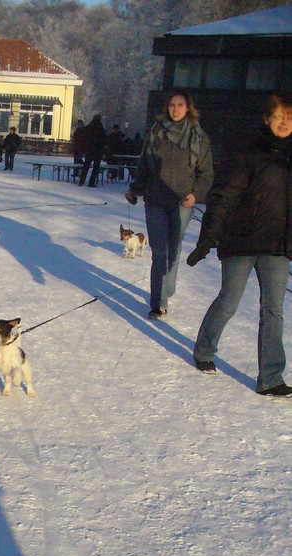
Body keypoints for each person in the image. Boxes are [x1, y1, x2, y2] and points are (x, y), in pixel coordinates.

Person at [190, 93, 292, 396]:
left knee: (273, 310)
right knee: (229, 301)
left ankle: (271, 378)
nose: (286, 122)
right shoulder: (248, 151)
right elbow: (225, 194)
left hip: (276, 246)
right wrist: (209, 235)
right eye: (280, 116)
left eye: (290, 117)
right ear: (266, 119)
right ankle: (204, 349)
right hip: (241, 241)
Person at [125, 89, 213, 319]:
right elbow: (144, 165)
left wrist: (196, 194)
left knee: (173, 250)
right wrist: (135, 189)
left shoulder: (198, 137)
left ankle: (166, 287)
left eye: (180, 105)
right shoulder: (156, 133)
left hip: (182, 202)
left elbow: (206, 174)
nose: (175, 109)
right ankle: (158, 302)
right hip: (155, 200)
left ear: (188, 108)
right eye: (172, 105)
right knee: (160, 252)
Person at [77, 114, 107, 188]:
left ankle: (81, 181)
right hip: (98, 151)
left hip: (89, 150)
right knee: (96, 167)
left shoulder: (88, 127)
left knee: (86, 166)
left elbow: (83, 138)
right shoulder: (101, 129)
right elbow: (104, 140)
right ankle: (91, 182)